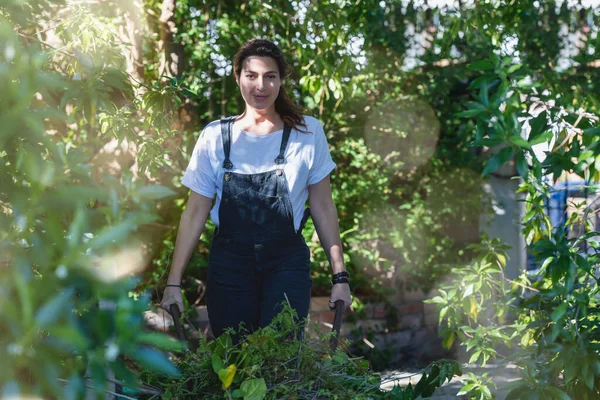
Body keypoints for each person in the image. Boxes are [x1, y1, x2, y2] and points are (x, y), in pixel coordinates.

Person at [160, 39, 351, 340]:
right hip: (229, 264)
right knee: (232, 358)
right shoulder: (214, 136)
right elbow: (195, 210)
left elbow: (323, 207)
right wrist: (173, 283)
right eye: (251, 75)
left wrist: (340, 277)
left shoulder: (307, 132)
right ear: (237, 77)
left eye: (270, 76)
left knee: (281, 355)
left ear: (281, 80)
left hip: (286, 262)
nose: (260, 85)